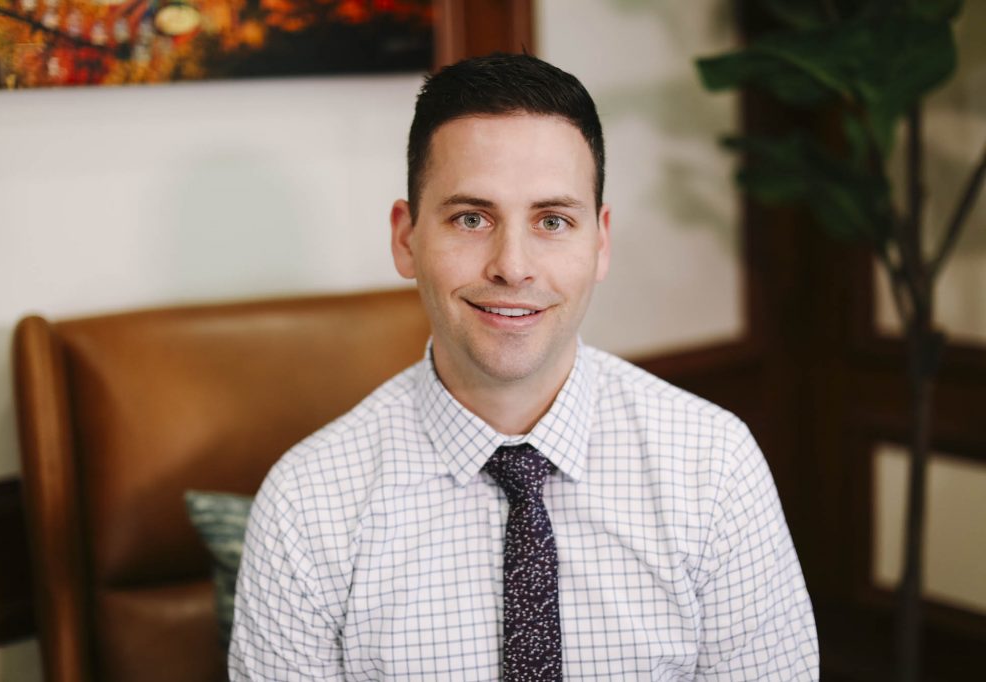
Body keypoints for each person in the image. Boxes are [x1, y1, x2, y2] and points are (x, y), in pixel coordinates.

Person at [230, 53, 819, 680]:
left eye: (553, 220)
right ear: (406, 239)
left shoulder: (714, 465)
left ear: (600, 241)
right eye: (471, 218)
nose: (512, 266)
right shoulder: (307, 504)